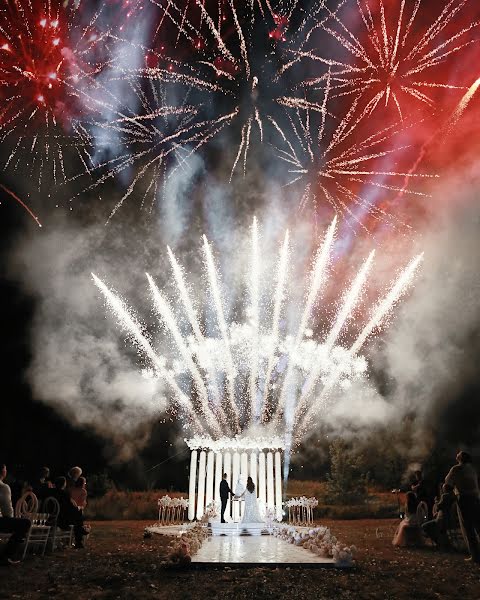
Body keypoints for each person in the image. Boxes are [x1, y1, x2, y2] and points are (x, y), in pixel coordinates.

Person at [445, 451, 480, 563]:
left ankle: (475, 555)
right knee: (478, 526)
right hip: (476, 498)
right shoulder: (472, 469)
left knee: (468, 527)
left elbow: (448, 485)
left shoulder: (456, 469)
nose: (457, 454)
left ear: (460, 458)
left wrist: (449, 494)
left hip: (464, 499)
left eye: (459, 454)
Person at [0, 463, 31, 564]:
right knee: (25, 523)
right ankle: (6, 556)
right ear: (3, 472)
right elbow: (7, 511)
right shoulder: (3, 487)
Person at [52, 477, 88, 549]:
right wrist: (78, 508)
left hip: (51, 517)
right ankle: (79, 539)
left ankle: (81, 534)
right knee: (78, 516)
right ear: (63, 484)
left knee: (78, 516)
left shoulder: (52, 492)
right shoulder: (64, 494)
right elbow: (71, 507)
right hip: (62, 519)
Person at [422, 483, 456, 548]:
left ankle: (439, 542)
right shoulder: (453, 496)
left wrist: (436, 501)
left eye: (443, 488)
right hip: (451, 520)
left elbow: (438, 507)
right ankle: (445, 543)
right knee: (440, 530)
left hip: (442, 520)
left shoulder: (445, 496)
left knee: (425, 526)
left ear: (445, 489)